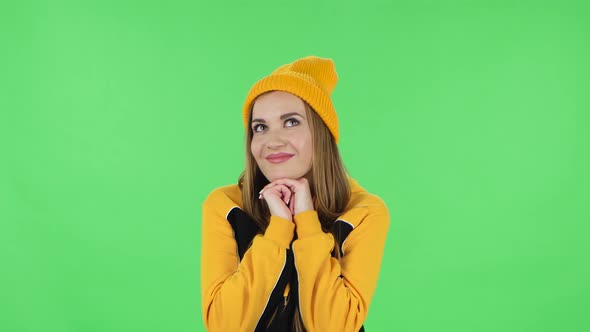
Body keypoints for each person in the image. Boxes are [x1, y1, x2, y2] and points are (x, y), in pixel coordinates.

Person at [200, 55, 390, 332]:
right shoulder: (226, 205)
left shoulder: (364, 213)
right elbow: (223, 325)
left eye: (291, 122)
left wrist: (306, 220)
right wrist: (279, 229)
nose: (272, 141)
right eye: (260, 127)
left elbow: (336, 326)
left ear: (321, 131)